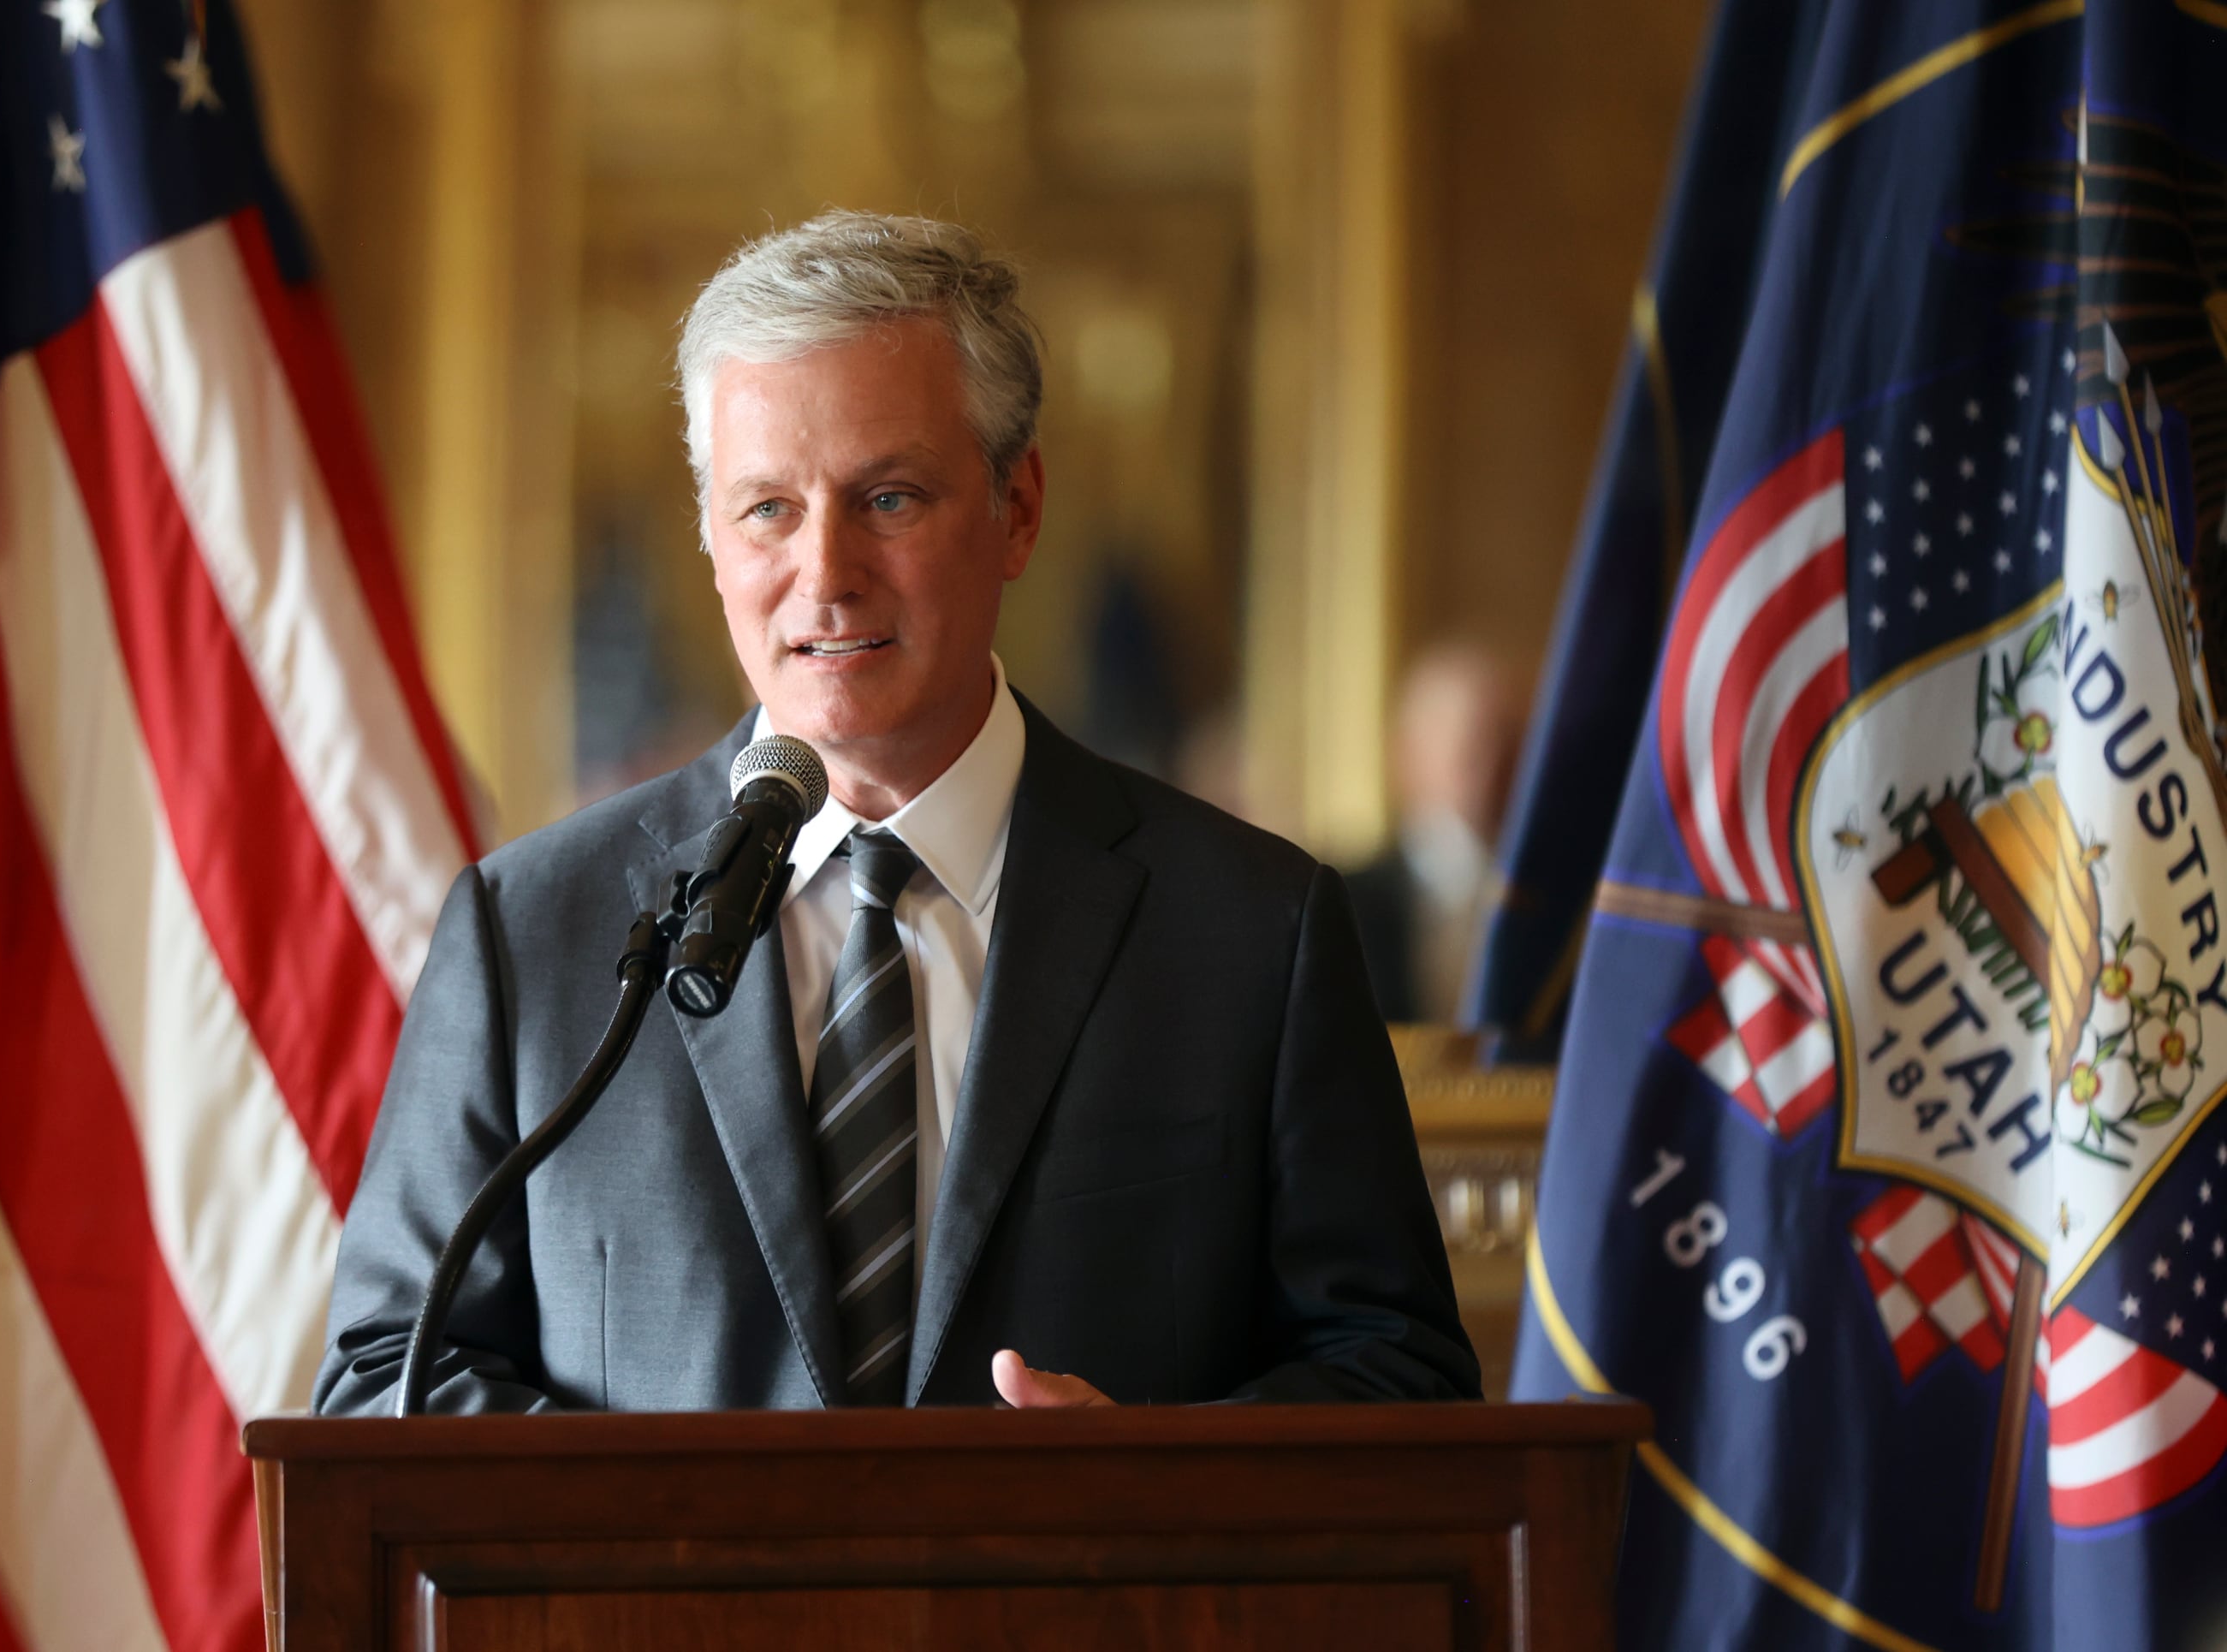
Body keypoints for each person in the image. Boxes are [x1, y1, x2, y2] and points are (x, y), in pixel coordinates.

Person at [315, 211, 1479, 1414]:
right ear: (712, 537)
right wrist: (650, 1540)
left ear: (1016, 508)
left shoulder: (1253, 930)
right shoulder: (531, 929)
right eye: (768, 507)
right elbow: (386, 1375)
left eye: (889, 497)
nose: (825, 572)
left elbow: (1398, 1372)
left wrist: (1159, 1487)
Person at [1345, 646, 1523, 1025]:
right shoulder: (1341, 901)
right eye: (1472, 744)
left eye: (1508, 742)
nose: (1493, 764)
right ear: (1407, 753)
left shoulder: (1562, 907)